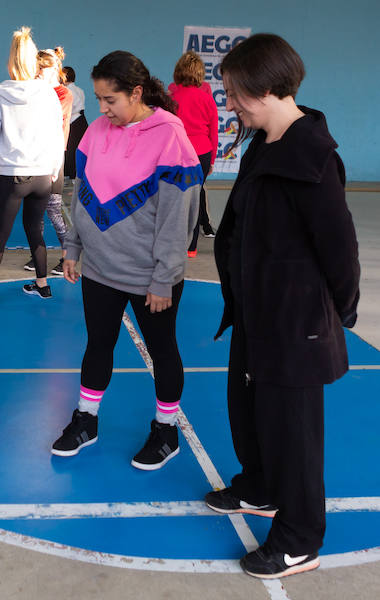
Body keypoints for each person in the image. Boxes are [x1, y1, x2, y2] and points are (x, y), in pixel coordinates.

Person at [205, 33, 359, 579]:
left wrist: (335, 312)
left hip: (295, 325)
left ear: (268, 88)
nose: (232, 104)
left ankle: (298, 539)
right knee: (250, 416)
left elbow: (339, 248)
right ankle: (261, 486)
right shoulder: (264, 143)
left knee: (293, 436)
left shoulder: (312, 156)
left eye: (236, 94)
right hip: (258, 314)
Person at [51, 51, 201, 470]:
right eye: (98, 99)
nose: (103, 109)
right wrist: (74, 248)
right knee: (98, 343)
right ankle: (87, 420)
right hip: (100, 269)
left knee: (162, 349)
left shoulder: (171, 137)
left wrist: (163, 278)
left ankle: (166, 430)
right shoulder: (96, 132)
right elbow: (82, 195)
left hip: (149, 274)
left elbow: (178, 218)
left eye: (110, 100)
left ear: (136, 93)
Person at [0, 28, 63, 307]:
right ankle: (43, 285)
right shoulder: (49, 94)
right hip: (42, 176)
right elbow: (56, 135)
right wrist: (53, 168)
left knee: (0, 233)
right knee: (35, 231)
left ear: (10, 62)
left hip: (13, 176)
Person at [22, 46, 72, 276]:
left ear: (54, 69)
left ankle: (66, 256)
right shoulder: (33, 90)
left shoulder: (63, 94)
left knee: (53, 208)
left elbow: (48, 120)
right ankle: (38, 254)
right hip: (32, 157)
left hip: (53, 156)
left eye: (43, 68)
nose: (39, 72)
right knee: (35, 210)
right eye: (37, 68)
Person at [168, 51, 218, 257]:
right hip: (202, 152)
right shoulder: (206, 99)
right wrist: (212, 159)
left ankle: (174, 242)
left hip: (177, 152)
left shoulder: (171, 98)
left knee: (175, 197)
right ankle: (192, 246)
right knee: (195, 197)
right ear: (199, 74)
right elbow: (213, 132)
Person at [63, 66, 88, 185]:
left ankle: (72, 176)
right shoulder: (80, 90)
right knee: (76, 149)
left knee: (70, 150)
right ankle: (74, 176)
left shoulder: (67, 90)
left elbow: (72, 107)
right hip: (81, 122)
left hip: (73, 121)